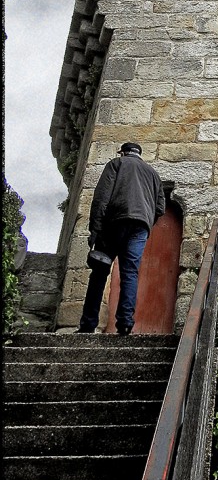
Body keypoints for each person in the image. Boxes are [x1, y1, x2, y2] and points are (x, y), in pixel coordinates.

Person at [77, 141, 165, 335]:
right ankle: (125, 322)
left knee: (100, 272)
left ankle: (88, 324)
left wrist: (95, 230)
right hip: (140, 227)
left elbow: (101, 198)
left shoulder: (116, 164)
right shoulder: (153, 174)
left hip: (114, 222)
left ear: (123, 153)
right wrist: (146, 221)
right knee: (130, 272)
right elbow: (160, 208)